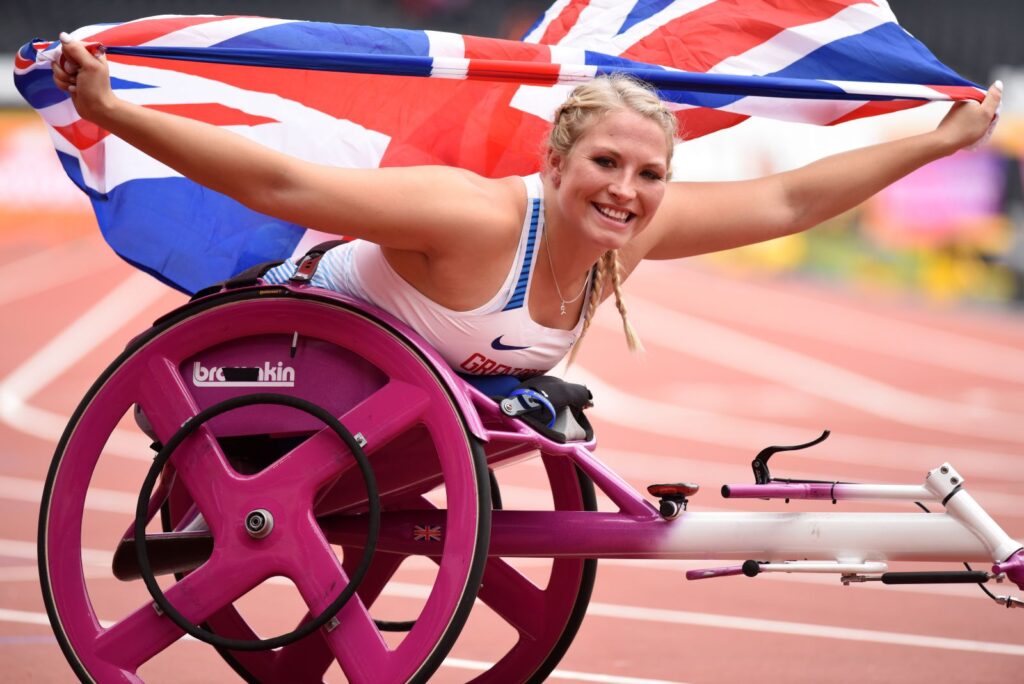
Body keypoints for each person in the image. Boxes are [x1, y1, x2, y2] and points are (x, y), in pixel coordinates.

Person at [52, 34, 1002, 380]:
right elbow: (283, 188)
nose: (626, 192)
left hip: (410, 418)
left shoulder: (635, 234)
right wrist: (111, 111)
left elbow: (791, 195)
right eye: (604, 163)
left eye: (650, 174)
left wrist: (936, 141)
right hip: (271, 379)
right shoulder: (476, 217)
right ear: (554, 161)